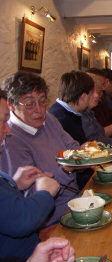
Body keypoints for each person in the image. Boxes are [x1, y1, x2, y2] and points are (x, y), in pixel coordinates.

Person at [0, 72, 81, 227]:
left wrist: (83, 153)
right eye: (30, 104)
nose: (39, 110)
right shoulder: (10, 141)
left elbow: (72, 146)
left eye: (43, 101)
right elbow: (31, 202)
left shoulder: (48, 119)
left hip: (76, 202)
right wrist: (65, 171)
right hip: (52, 222)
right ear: (12, 105)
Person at [0, 89, 60, 259]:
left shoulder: (51, 121)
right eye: (3, 121)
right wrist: (45, 192)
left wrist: (14, 184)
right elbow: (22, 219)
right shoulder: (15, 142)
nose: (8, 129)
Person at [49, 71, 94, 144]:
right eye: (91, 95)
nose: (92, 98)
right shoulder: (62, 120)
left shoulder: (65, 111)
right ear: (83, 97)